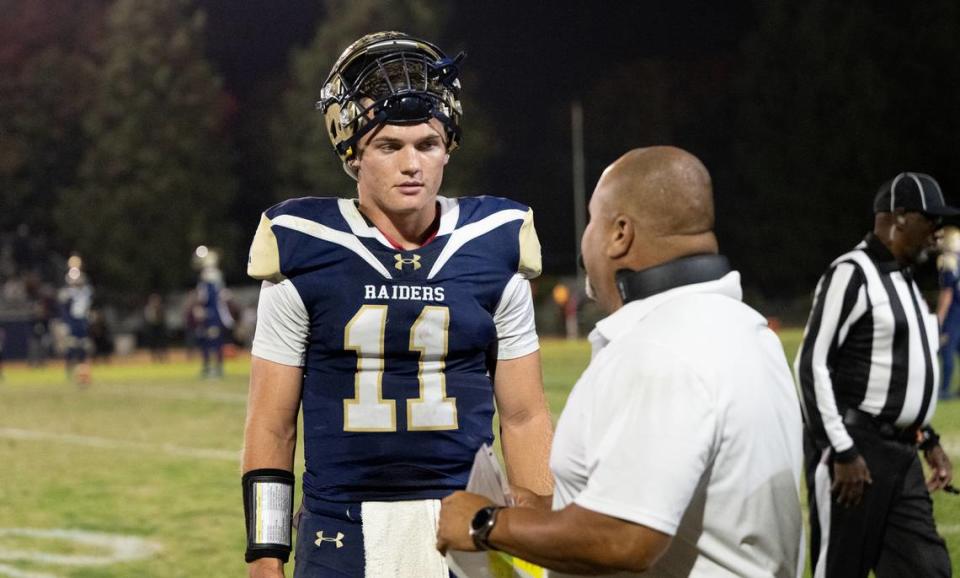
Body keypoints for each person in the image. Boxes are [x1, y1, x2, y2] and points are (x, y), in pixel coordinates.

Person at [241, 31, 554, 578]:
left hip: (467, 523)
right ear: (354, 153)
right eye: (390, 146)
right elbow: (272, 424)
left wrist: (537, 533)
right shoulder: (301, 247)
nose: (412, 163)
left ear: (448, 148)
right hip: (341, 526)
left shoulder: (495, 244)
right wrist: (266, 557)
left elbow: (524, 416)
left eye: (427, 144)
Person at [438, 146, 804, 576]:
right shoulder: (748, 330)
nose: (585, 238)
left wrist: (486, 524)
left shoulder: (659, 348)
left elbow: (623, 539)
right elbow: (679, 499)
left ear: (620, 234)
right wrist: (542, 508)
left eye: (593, 219)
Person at [794, 171, 955, 577]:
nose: (937, 231)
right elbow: (811, 363)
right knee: (841, 570)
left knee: (927, 569)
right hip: (857, 450)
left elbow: (901, 373)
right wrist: (842, 450)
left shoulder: (905, 280)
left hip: (901, 454)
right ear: (899, 217)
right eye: (930, 219)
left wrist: (927, 436)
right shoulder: (852, 272)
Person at [193, 246, 234, 378]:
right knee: (207, 341)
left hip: (213, 315)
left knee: (215, 341)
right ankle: (210, 367)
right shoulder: (207, 283)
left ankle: (216, 368)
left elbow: (206, 297)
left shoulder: (211, 282)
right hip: (208, 315)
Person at [59, 260, 93, 385]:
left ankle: (83, 371)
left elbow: (87, 306)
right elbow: (64, 308)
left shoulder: (86, 291)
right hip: (72, 322)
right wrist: (65, 322)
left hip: (82, 322)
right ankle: (69, 371)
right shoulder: (67, 293)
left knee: (83, 347)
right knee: (71, 347)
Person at [936, 225, 960, 399]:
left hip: (954, 311)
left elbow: (947, 293)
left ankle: (944, 389)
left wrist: (939, 317)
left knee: (947, 349)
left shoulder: (948, 260)